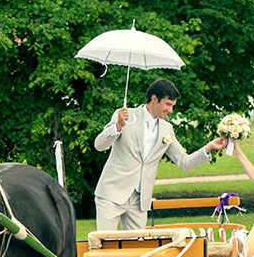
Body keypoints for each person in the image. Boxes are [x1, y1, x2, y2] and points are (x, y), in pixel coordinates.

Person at [93, 78, 227, 230]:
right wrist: (118, 126)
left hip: (140, 201)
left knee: (138, 250)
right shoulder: (125, 115)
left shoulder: (167, 129)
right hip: (112, 193)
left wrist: (209, 147)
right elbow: (99, 145)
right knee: (104, 246)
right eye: (168, 104)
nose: (170, 110)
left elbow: (184, 162)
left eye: (172, 106)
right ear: (154, 99)